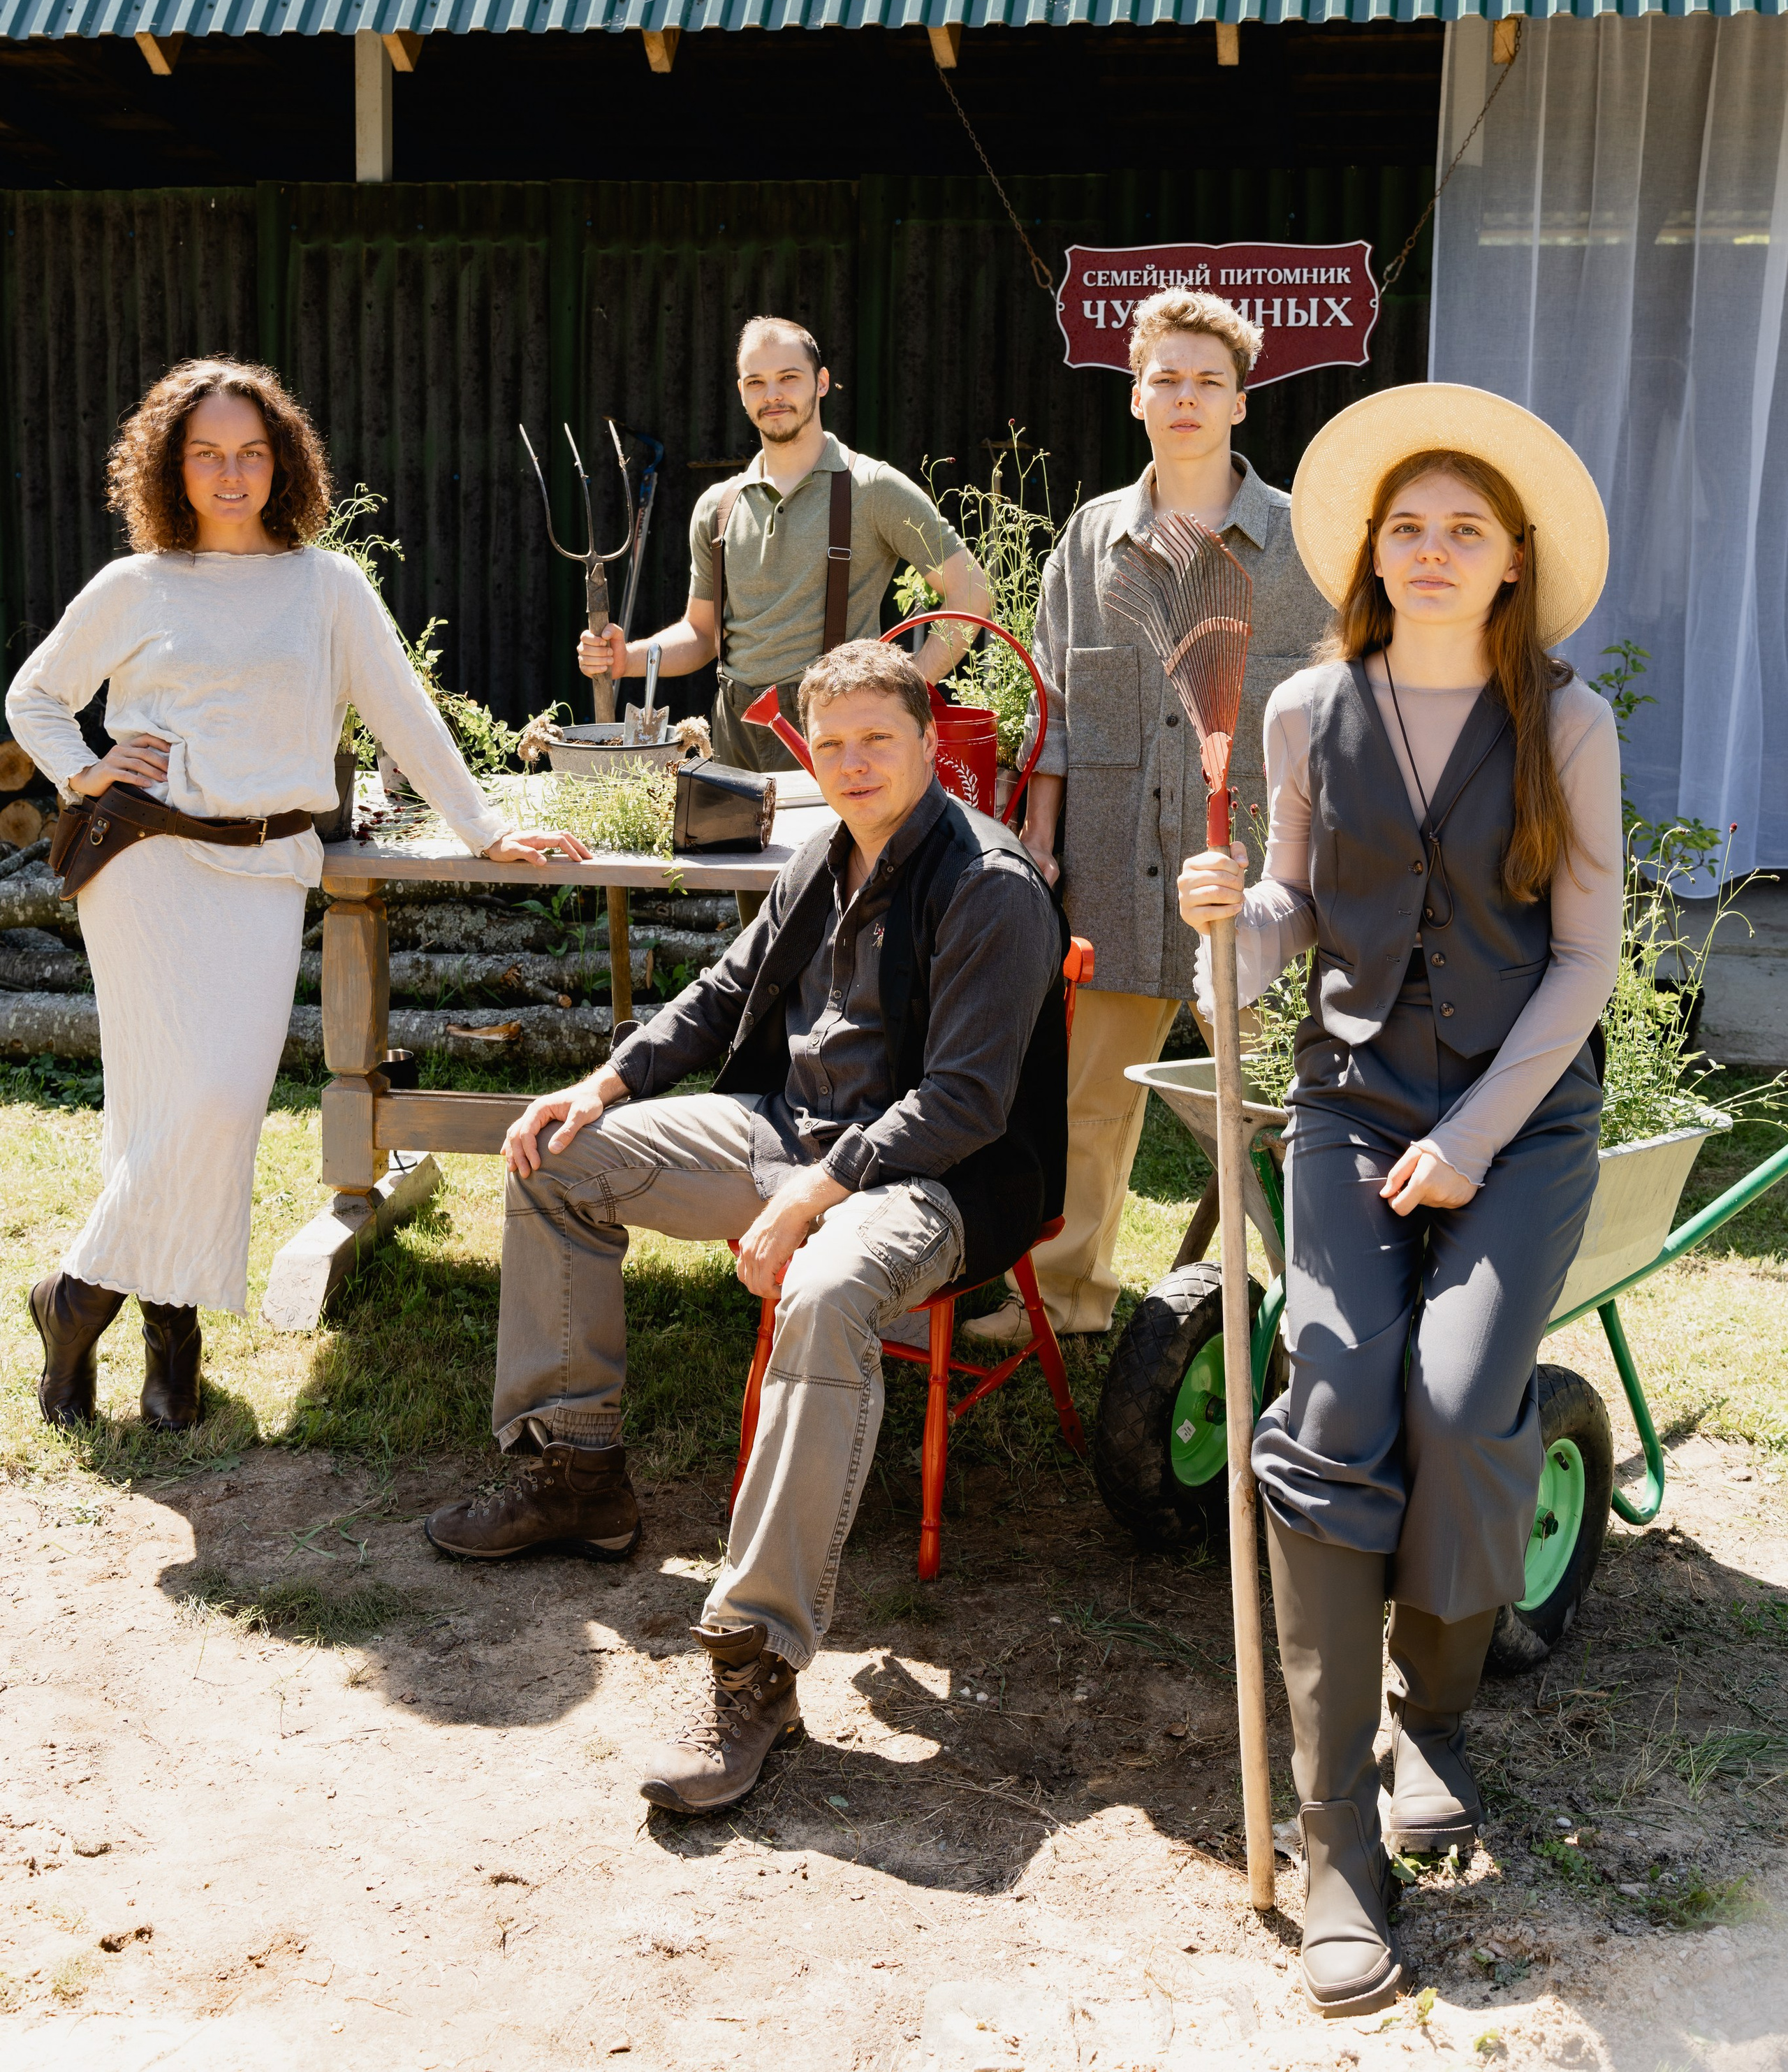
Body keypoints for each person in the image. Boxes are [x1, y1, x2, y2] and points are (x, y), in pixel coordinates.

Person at [423, 639, 1065, 1817]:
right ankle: (576, 1476)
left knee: (824, 1294)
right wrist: (604, 1085)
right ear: (807, 757)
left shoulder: (993, 886)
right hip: (794, 1132)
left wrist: (818, 1197)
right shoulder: (824, 851)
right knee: (559, 1161)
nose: (855, 762)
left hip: (941, 1175)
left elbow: (967, 1103)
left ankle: (755, 1661)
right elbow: (726, 989)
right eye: (832, 745)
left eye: (879, 738)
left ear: (931, 744)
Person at [1178, 383, 1622, 2019]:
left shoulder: (1565, 722)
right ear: (1368, 549)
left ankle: (1427, 1705)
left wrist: (1480, 1132)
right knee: (1331, 1399)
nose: (1429, 551)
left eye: (1464, 529)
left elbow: (1582, 958)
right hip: (1350, 1102)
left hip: (1520, 1117)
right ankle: (1331, 1841)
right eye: (1405, 525)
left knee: (1452, 1396)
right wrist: (1232, 926)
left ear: (1510, 563)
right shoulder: (1302, 706)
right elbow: (1292, 902)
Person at [6, 358, 584, 1436]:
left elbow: (405, 714)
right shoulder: (138, 585)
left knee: (213, 1105)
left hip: (268, 871)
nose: (231, 474)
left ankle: (78, 1296)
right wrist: (84, 767)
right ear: (172, 466)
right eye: (207, 453)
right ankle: (170, 1334)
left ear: (285, 462)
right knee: (172, 1106)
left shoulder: (329, 587)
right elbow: (34, 696)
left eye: (252, 452)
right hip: (149, 869)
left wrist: (492, 829)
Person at [972, 286, 1328, 1345]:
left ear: (1239, 402)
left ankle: (1314, 1305)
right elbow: (1056, 711)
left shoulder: (1305, 548)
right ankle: (1070, 1290)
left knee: (1276, 1107)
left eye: (1206, 381)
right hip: (1110, 865)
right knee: (1089, 1098)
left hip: (1256, 882)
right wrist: (1037, 841)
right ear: (1136, 397)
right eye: (1165, 379)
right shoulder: (1088, 544)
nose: (1185, 397)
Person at [577, 314, 992, 777]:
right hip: (732, 728)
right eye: (756, 382)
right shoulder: (718, 506)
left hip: (833, 728)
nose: (772, 395)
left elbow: (972, 592)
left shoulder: (872, 489)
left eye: (788, 378)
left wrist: (908, 685)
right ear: (742, 393)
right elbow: (702, 634)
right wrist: (627, 657)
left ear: (821, 382)